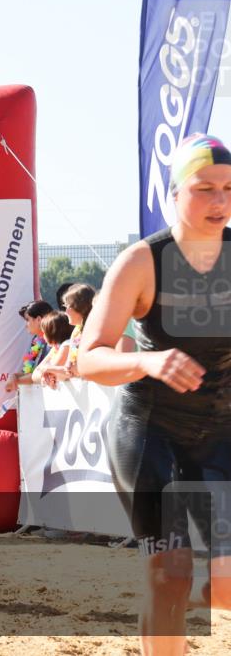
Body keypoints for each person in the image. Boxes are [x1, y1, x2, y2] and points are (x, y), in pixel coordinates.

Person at [78, 134, 231, 654]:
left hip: (219, 439)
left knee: (225, 582)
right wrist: (147, 360)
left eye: (229, 189)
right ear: (173, 194)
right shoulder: (142, 262)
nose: (219, 201)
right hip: (150, 435)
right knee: (170, 574)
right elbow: (88, 357)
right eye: (204, 188)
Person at [4, 300, 55, 392]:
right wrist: (14, 377)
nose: (26, 325)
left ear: (39, 320)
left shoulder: (54, 342)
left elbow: (43, 372)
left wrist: (16, 381)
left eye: (27, 320)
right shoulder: (36, 340)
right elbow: (31, 372)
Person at [30, 311, 73, 389]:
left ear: (52, 332)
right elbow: (34, 376)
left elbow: (51, 372)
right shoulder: (54, 349)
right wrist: (44, 375)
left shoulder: (67, 345)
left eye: (44, 332)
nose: (43, 336)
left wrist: (44, 370)